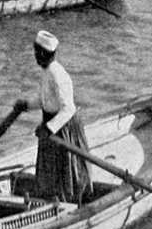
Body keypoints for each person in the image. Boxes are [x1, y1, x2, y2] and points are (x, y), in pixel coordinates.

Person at [12, 30, 93, 204]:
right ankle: (53, 200)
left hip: (64, 127)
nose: (34, 57)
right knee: (50, 170)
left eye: (36, 53)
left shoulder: (57, 75)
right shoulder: (47, 72)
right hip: (51, 125)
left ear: (42, 53)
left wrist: (49, 128)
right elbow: (46, 101)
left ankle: (70, 202)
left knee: (67, 169)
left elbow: (68, 108)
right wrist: (26, 105)